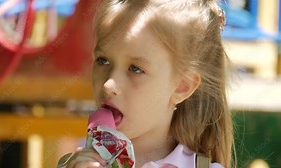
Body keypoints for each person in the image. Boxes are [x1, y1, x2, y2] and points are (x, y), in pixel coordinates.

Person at [61, 0, 234, 167]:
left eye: (135, 69)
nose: (108, 84)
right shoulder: (76, 164)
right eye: (103, 60)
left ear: (182, 86)